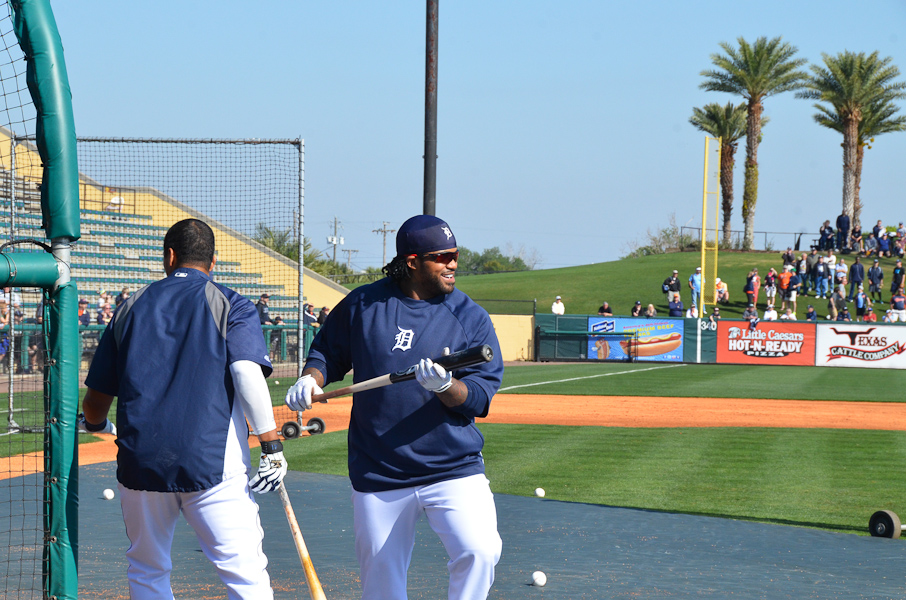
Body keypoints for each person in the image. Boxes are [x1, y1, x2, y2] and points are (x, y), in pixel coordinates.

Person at [285, 215, 504, 599]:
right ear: (413, 260)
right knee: (381, 583)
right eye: (443, 256)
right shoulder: (365, 303)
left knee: (480, 551)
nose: (453, 264)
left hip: (451, 468)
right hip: (380, 470)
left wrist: (446, 386)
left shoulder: (470, 318)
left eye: (456, 255)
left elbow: (480, 397)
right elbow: (327, 352)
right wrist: (311, 378)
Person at [80, 219, 285, 599]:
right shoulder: (232, 303)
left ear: (169, 256)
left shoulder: (130, 306)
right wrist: (271, 445)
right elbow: (245, 372)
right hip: (212, 464)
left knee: (147, 569)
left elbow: (95, 400)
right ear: (214, 261)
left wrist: (95, 425)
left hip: (140, 463)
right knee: (246, 576)